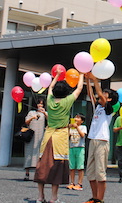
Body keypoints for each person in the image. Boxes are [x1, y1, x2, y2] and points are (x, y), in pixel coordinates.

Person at [33, 73, 85, 203]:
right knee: (56, 167)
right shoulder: (66, 102)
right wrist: (82, 75)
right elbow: (79, 89)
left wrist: (56, 76)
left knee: (43, 167)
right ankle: (54, 198)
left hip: (48, 135)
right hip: (60, 136)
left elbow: (50, 87)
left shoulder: (49, 100)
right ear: (66, 92)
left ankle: (40, 197)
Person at [83, 74, 118, 203]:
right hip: (93, 139)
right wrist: (87, 79)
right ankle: (95, 197)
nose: (101, 94)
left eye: (105, 93)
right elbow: (91, 93)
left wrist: (95, 80)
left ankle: (100, 200)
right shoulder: (98, 107)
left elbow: (99, 95)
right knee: (91, 173)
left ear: (109, 99)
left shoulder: (109, 108)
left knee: (100, 173)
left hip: (102, 141)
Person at [24, 98, 48, 181]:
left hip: (40, 137)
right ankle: (27, 173)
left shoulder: (45, 114)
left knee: (39, 155)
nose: (40, 105)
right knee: (28, 153)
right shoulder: (31, 112)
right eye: (39, 104)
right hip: (31, 136)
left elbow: (51, 121)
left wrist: (44, 112)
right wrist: (32, 118)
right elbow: (26, 122)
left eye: (41, 104)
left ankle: (37, 174)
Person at [67, 113, 87, 191]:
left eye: (78, 118)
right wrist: (69, 128)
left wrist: (77, 128)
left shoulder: (83, 127)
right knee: (71, 167)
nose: (76, 119)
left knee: (80, 167)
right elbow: (68, 136)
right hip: (72, 147)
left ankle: (79, 183)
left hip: (80, 148)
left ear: (81, 121)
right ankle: (72, 183)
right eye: (75, 117)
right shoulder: (72, 128)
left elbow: (82, 135)